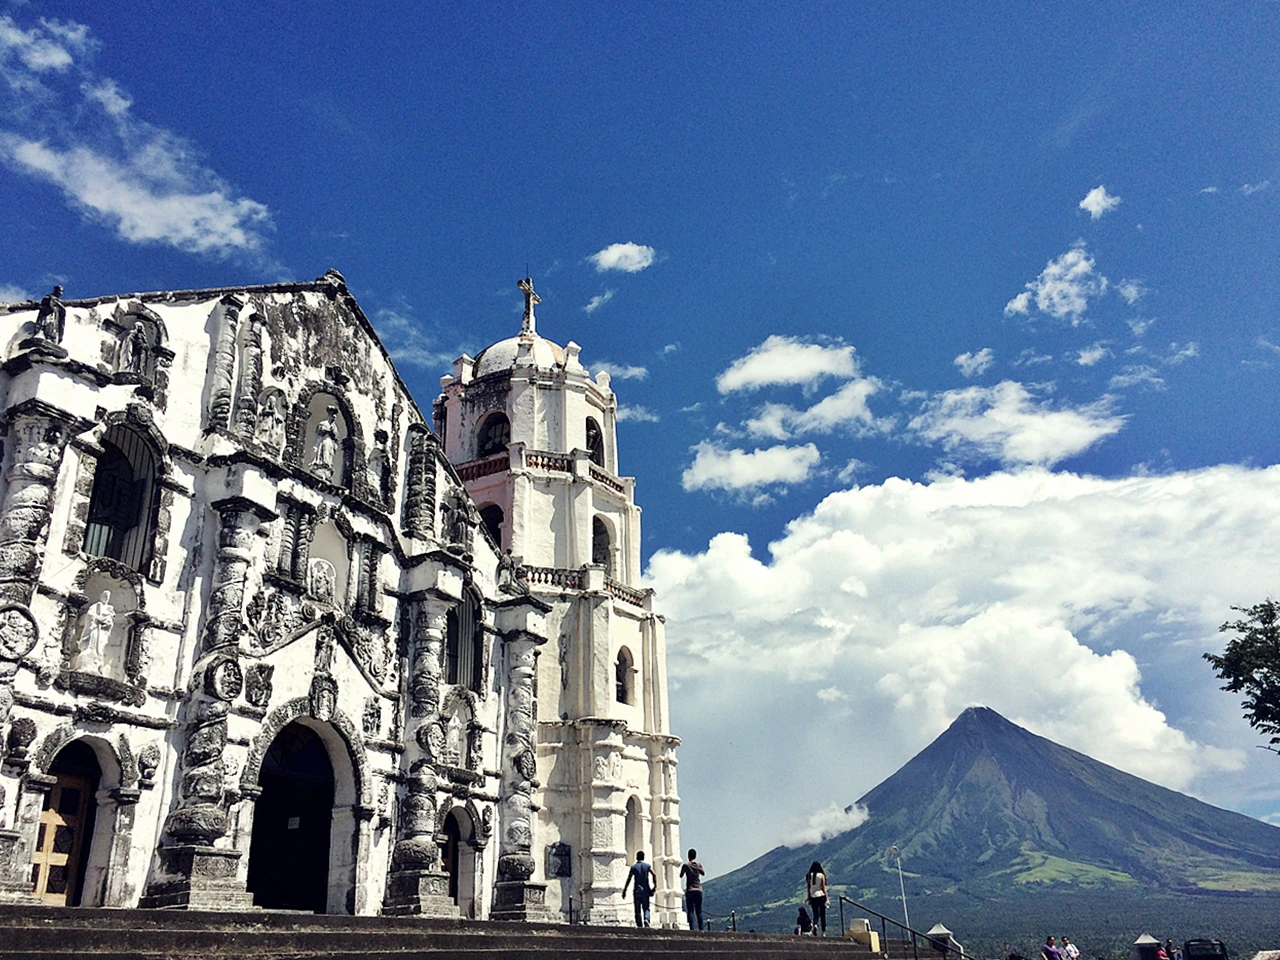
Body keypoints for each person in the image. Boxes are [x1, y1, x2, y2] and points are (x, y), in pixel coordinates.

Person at [621, 850, 653, 929]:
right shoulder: (647, 866)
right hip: (645, 890)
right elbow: (654, 874)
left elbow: (629, 879)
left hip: (637, 891)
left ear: (636, 857)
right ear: (643, 857)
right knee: (646, 907)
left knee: (637, 909)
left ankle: (639, 925)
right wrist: (654, 887)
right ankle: (646, 919)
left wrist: (625, 890)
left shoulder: (634, 867)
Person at [680, 847, 705, 931]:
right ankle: (701, 929)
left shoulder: (686, 865)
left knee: (690, 911)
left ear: (688, 856)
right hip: (698, 889)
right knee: (699, 911)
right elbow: (703, 873)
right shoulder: (698, 865)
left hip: (690, 890)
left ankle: (692, 929)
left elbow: (681, 875)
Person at [806, 860, 828, 937]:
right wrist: (827, 898)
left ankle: (815, 924)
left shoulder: (809, 875)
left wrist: (808, 897)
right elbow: (824, 888)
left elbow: (808, 887)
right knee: (822, 914)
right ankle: (823, 931)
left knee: (815, 913)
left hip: (813, 896)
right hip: (821, 896)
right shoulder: (821, 875)